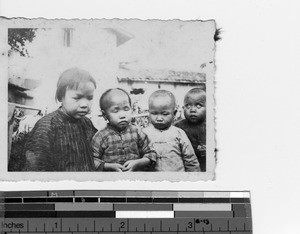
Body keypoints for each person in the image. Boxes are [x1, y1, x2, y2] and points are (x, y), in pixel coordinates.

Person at [25, 67, 97, 171]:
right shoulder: (47, 127)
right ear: (60, 96)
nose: (85, 104)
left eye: (89, 98)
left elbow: (96, 153)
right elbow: (37, 167)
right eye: (77, 98)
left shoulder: (86, 123)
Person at [92, 88, 156, 172]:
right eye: (116, 111)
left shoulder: (137, 132)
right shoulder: (100, 136)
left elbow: (151, 154)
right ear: (105, 115)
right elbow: (92, 160)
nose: (122, 115)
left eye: (126, 109)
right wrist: (108, 166)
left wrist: (138, 163)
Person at [143, 90, 200, 172]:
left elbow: (190, 160)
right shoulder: (144, 133)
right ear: (149, 112)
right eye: (154, 113)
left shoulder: (179, 133)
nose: (159, 118)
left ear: (174, 113)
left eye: (165, 114)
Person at [175, 88, 206, 171]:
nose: (192, 110)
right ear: (183, 108)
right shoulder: (178, 127)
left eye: (198, 106)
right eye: (188, 106)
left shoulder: (212, 126)